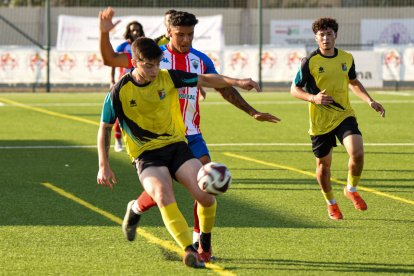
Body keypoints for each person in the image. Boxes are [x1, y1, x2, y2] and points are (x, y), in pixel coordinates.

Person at [99, 7, 280, 261]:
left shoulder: (199, 59)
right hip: (152, 144)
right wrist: (104, 34)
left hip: (189, 135)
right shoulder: (152, 55)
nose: (185, 39)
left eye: (190, 35)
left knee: (205, 188)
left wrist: (250, 109)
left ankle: (201, 244)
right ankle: (139, 208)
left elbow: (215, 83)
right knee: (160, 190)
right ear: (168, 33)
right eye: (180, 34)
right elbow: (110, 60)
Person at [290, 17, 385, 220]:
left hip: (344, 114)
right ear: (316, 37)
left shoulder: (347, 58)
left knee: (357, 153)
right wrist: (313, 98)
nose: (325, 38)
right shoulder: (309, 62)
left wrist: (370, 101)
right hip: (320, 121)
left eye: (329, 34)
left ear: (336, 36)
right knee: (324, 168)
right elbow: (294, 89)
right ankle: (331, 203)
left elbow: (353, 81)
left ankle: (351, 189)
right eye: (321, 35)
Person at [110, 21, 145, 152]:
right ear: (129, 32)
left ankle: (140, 139)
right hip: (124, 84)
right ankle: (118, 140)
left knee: (141, 111)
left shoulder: (144, 45)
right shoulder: (123, 46)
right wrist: (112, 80)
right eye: (132, 30)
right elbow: (112, 61)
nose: (135, 32)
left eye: (137, 30)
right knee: (120, 113)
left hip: (140, 84)